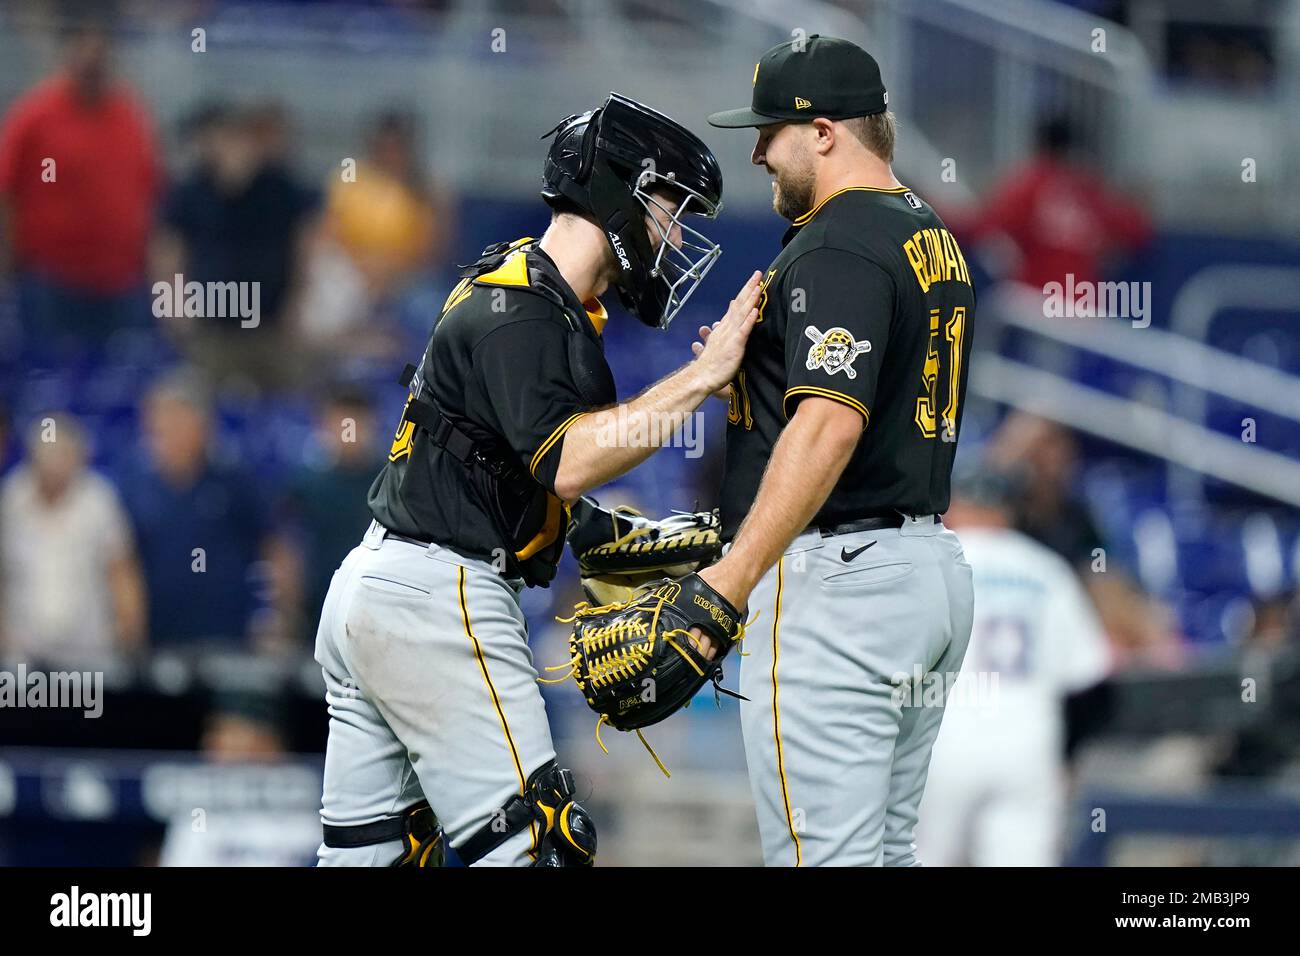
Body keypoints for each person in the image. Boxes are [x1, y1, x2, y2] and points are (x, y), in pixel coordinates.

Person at [314, 92, 761, 867]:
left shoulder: (529, 293)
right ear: (618, 189)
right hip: (437, 596)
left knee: (372, 862)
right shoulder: (522, 307)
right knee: (541, 849)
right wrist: (702, 376)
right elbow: (569, 463)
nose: (676, 233)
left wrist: (670, 545)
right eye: (668, 207)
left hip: (384, 587)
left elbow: (520, 487)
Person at [703, 35, 976, 866]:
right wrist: (755, 372)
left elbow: (829, 424)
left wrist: (730, 579)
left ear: (824, 132)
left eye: (770, 132)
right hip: (922, 572)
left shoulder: (837, 241)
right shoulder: (926, 229)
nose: (755, 152)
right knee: (883, 854)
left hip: (842, 584)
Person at [916, 472, 1111, 866]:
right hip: (1028, 741)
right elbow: (1091, 678)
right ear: (1006, 511)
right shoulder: (1045, 567)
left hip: (943, 741)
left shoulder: (926, 563)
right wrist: (1066, 756)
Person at [0, 20, 158, 360]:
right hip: (51, 280)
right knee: (51, 376)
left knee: (118, 384)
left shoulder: (130, 116)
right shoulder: (34, 115)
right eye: (84, 47)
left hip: (120, 282)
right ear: (67, 52)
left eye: (100, 49)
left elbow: (149, 193)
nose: (93, 58)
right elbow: (6, 194)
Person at [118, 370, 293, 651]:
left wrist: (281, 613)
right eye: (160, 422)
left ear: (203, 425)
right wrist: (130, 630)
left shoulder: (234, 481)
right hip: (160, 639)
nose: (166, 431)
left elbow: (275, 547)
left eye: (177, 419)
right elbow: (124, 565)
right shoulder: (136, 487)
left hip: (230, 637)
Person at [0, 414, 145, 668]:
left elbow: (121, 570)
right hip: (23, 649)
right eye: (49, 454)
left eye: (64, 455)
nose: (56, 464)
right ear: (33, 457)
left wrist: (129, 631)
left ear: (79, 458)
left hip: (90, 648)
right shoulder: (11, 498)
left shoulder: (99, 500)